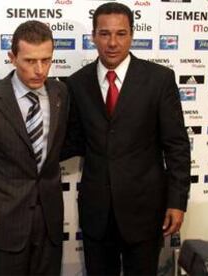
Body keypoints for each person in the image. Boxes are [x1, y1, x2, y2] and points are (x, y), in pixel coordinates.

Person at [62, 2, 191, 275]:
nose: (112, 42)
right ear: (94, 36)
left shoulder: (159, 79)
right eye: (105, 33)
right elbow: (71, 141)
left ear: (132, 35)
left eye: (121, 33)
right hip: (96, 215)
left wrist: (177, 202)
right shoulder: (76, 83)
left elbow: (177, 145)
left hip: (145, 212)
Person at [0, 20, 68, 275]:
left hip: (50, 222)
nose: (39, 70)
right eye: (30, 61)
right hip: (6, 223)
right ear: (12, 57)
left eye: (46, 60)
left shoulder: (61, 93)